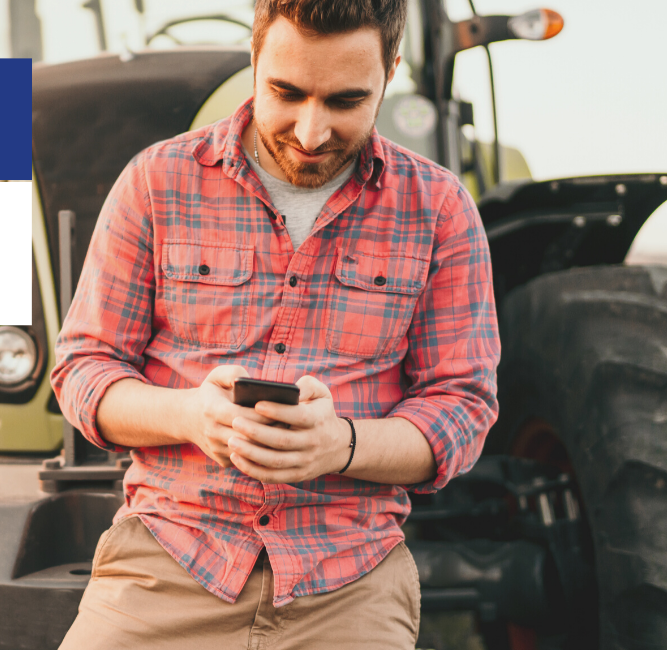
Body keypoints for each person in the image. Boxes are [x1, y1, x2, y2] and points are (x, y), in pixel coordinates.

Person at [48, 0, 500, 647]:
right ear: (255, 60)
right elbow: (84, 370)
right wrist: (191, 416)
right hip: (169, 556)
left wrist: (340, 445)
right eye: (287, 93)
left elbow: (462, 407)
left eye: (345, 101)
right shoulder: (157, 180)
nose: (311, 132)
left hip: (348, 572)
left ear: (391, 71)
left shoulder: (440, 208)